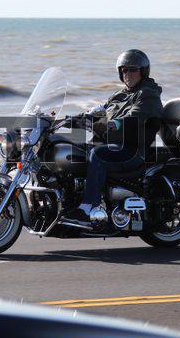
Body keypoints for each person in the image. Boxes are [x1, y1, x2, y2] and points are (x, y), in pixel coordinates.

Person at [62, 49, 163, 227]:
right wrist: (71, 120)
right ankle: (67, 203)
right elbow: (99, 111)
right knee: (70, 151)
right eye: (124, 70)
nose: (127, 73)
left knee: (98, 155)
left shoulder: (148, 94)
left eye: (132, 69)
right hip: (111, 144)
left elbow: (135, 117)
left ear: (143, 71)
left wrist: (112, 124)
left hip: (131, 150)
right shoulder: (119, 95)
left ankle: (88, 208)